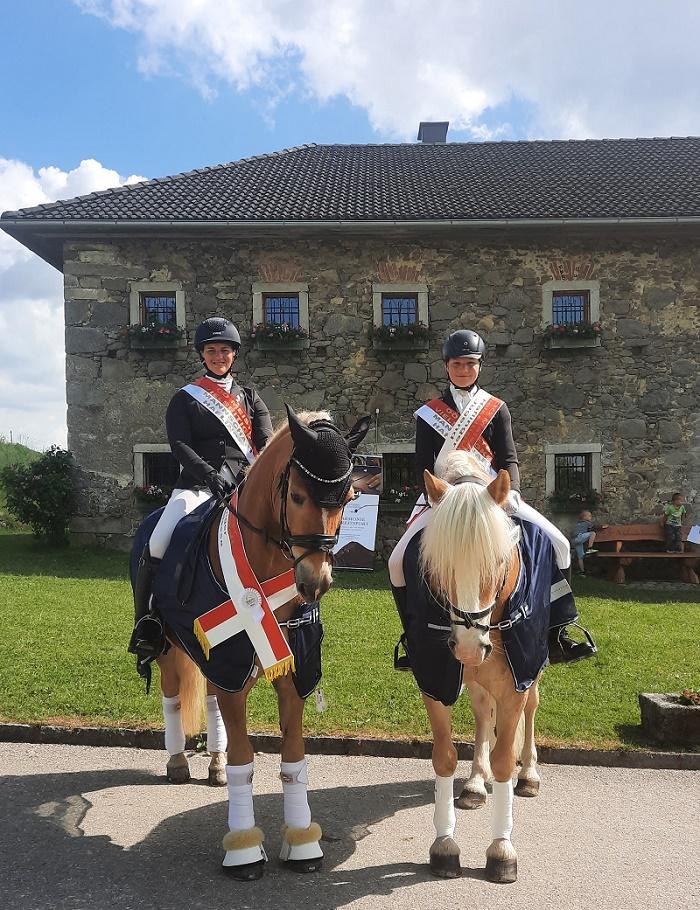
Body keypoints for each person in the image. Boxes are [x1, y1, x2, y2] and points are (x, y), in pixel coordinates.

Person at [388, 328, 595, 664]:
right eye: (458, 363)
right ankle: (412, 639)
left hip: (491, 496)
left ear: (480, 366)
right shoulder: (429, 414)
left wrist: (510, 489)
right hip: (445, 499)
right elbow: (422, 463)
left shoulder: (496, 409)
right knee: (396, 561)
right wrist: (434, 496)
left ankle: (559, 631)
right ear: (447, 366)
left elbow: (508, 457)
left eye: (470, 363)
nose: (464, 369)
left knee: (558, 542)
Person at [128, 317, 273, 777]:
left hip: (243, 488)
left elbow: (266, 445)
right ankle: (150, 621)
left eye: (225, 350)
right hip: (196, 487)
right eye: (212, 350)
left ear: (234, 354)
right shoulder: (185, 398)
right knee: (157, 539)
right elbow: (179, 446)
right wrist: (209, 475)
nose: (219, 356)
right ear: (202, 355)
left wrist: (251, 480)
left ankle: (281, 616)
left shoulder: (251, 399)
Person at [570, 510, 605, 575]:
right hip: (579, 537)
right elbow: (594, 527)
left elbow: (572, 533)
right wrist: (602, 527)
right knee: (593, 533)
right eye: (589, 516)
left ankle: (582, 572)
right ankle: (590, 548)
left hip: (574, 540)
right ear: (584, 517)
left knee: (580, 556)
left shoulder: (578, 523)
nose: (590, 517)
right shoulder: (587, 523)